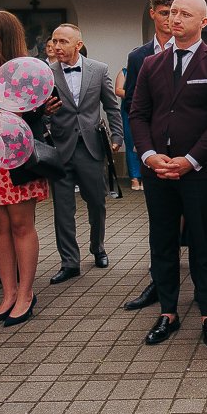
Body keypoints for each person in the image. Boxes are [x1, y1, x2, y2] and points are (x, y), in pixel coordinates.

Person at [130, 0, 207, 348]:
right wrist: (149, 156)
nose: (175, 19)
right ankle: (168, 312)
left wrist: (190, 160)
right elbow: (138, 114)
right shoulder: (151, 65)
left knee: (206, 244)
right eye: (172, 12)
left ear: (203, 22)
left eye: (184, 14)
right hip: (158, 171)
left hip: (202, 173)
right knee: (162, 242)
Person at [0, 10, 49, 326]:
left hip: (18, 160)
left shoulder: (29, 70)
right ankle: (8, 293)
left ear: (6, 35)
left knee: (20, 225)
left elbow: (39, 113)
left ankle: (26, 294)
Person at [47, 24, 123, 284]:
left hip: (91, 147)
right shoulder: (46, 73)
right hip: (59, 148)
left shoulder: (98, 69)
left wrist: (117, 137)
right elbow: (38, 110)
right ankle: (69, 262)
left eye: (63, 41)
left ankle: (98, 247)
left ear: (78, 45)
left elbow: (111, 106)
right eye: (54, 41)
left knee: (97, 202)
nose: (57, 46)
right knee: (62, 209)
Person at [122, 0, 177, 312]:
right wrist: (144, 147)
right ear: (153, 14)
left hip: (189, 152)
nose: (171, 19)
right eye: (164, 12)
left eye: (175, 12)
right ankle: (159, 283)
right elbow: (132, 105)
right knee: (160, 223)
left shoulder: (199, 52)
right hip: (154, 151)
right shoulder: (138, 57)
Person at [113, 68, 141, 191]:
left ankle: (144, 176)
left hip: (147, 111)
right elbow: (118, 90)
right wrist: (138, 95)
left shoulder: (150, 69)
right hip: (128, 111)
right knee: (130, 144)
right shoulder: (124, 72)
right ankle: (134, 177)